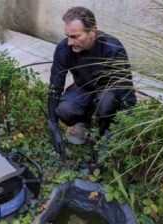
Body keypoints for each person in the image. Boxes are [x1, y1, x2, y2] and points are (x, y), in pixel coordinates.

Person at [47, 6, 137, 145]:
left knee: (105, 102)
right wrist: (53, 126)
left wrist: (119, 131)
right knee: (65, 110)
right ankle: (84, 121)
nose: (70, 42)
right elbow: (55, 88)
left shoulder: (112, 49)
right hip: (83, 87)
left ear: (92, 31)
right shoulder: (64, 49)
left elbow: (127, 94)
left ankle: (104, 128)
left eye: (75, 36)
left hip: (107, 91)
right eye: (67, 36)